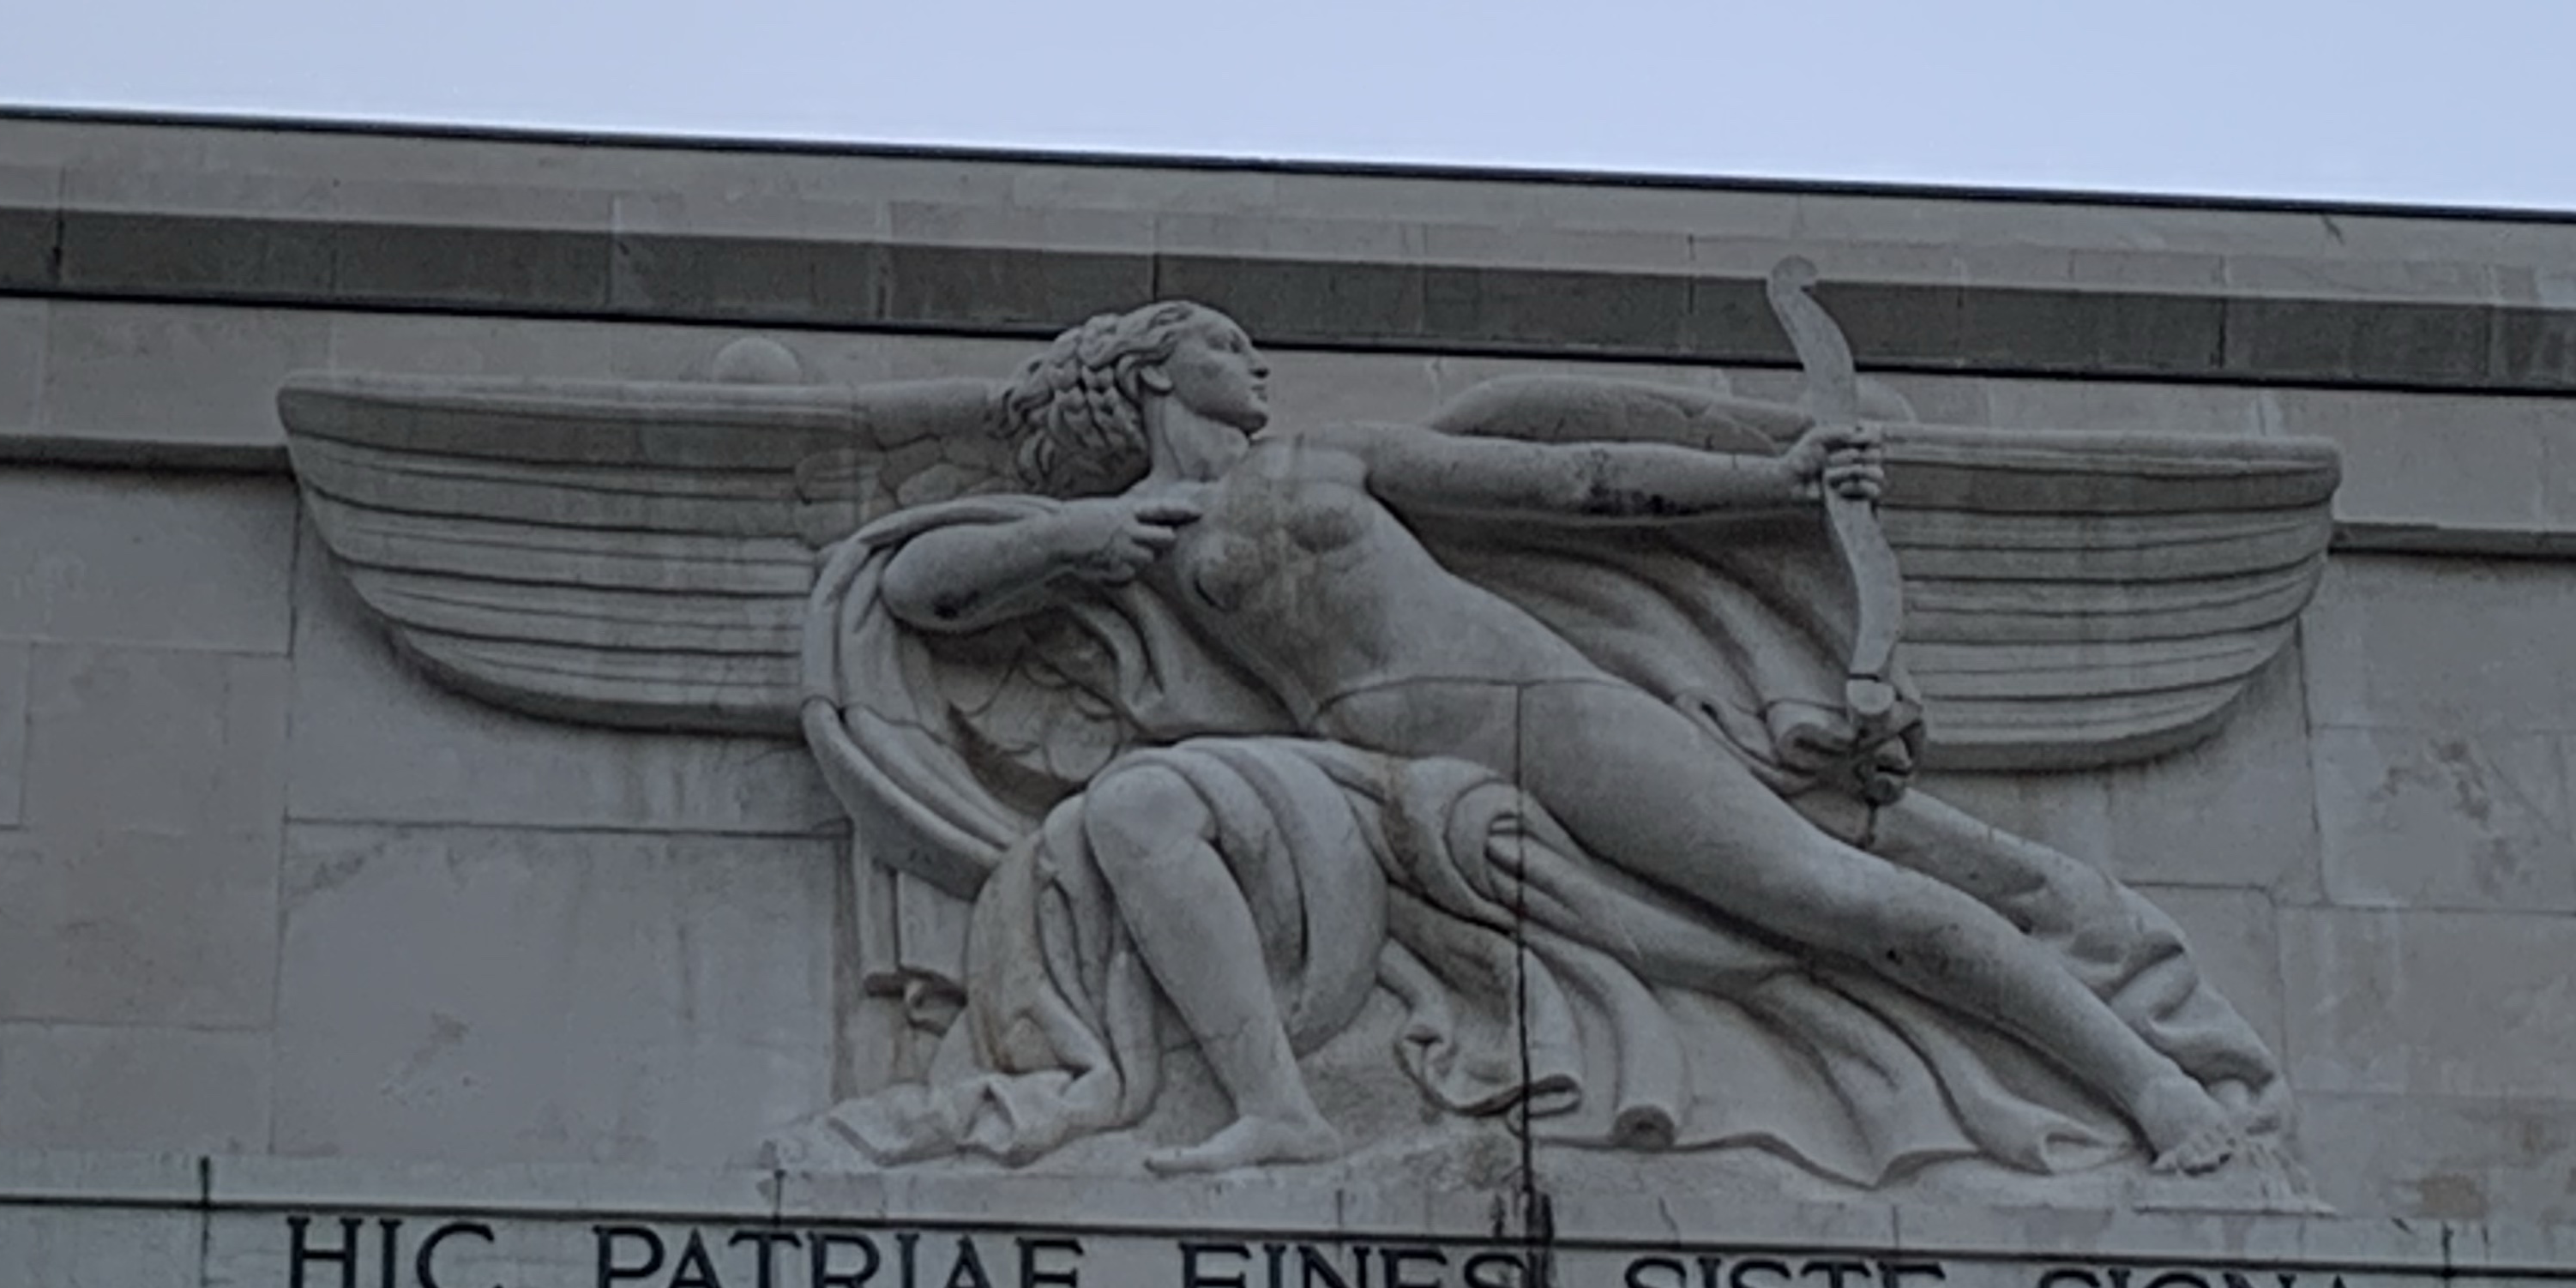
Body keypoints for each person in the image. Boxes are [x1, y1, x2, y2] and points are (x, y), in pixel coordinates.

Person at [817, 301, 2266, 1182]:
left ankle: (2147, 1085)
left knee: (1834, 897)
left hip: (1539, 709)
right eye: (1222, 346)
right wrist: (1075, 537)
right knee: (1145, 809)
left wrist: (1773, 484)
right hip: (1376, 771)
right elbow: (922, 590)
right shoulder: (1138, 538)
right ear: (1147, 377)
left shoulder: (1329, 456)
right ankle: (1279, 1113)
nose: (1254, 363)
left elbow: (1573, 482)